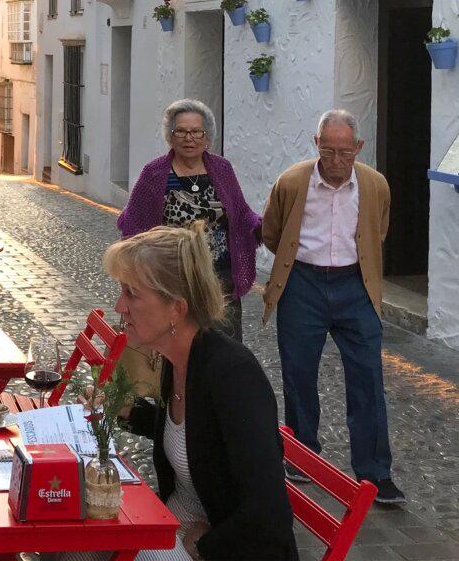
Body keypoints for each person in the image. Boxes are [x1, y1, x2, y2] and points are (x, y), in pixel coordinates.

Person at [106, 224, 297, 561]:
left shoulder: (232, 374)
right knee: (72, 541)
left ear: (176, 310)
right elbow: (197, 436)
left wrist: (204, 547)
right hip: (174, 523)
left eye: (132, 293)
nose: (120, 306)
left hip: (222, 548)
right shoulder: (177, 359)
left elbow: (269, 513)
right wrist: (129, 412)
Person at [262, 109, 403, 503]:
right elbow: (272, 232)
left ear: (358, 147)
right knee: (298, 373)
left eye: (345, 152)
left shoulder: (375, 185)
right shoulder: (292, 182)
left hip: (356, 284)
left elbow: (380, 230)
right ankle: (303, 457)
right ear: (316, 144)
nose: (337, 161)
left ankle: (375, 473)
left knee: (368, 377)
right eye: (329, 151)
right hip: (302, 283)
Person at [118, 99, 260, 341]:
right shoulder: (154, 174)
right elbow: (133, 227)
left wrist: (265, 226)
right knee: (178, 343)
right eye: (181, 131)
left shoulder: (222, 169)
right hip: (174, 280)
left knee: (223, 346)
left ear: (207, 137)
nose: (189, 138)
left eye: (196, 131)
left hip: (219, 279)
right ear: (170, 137)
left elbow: (241, 213)